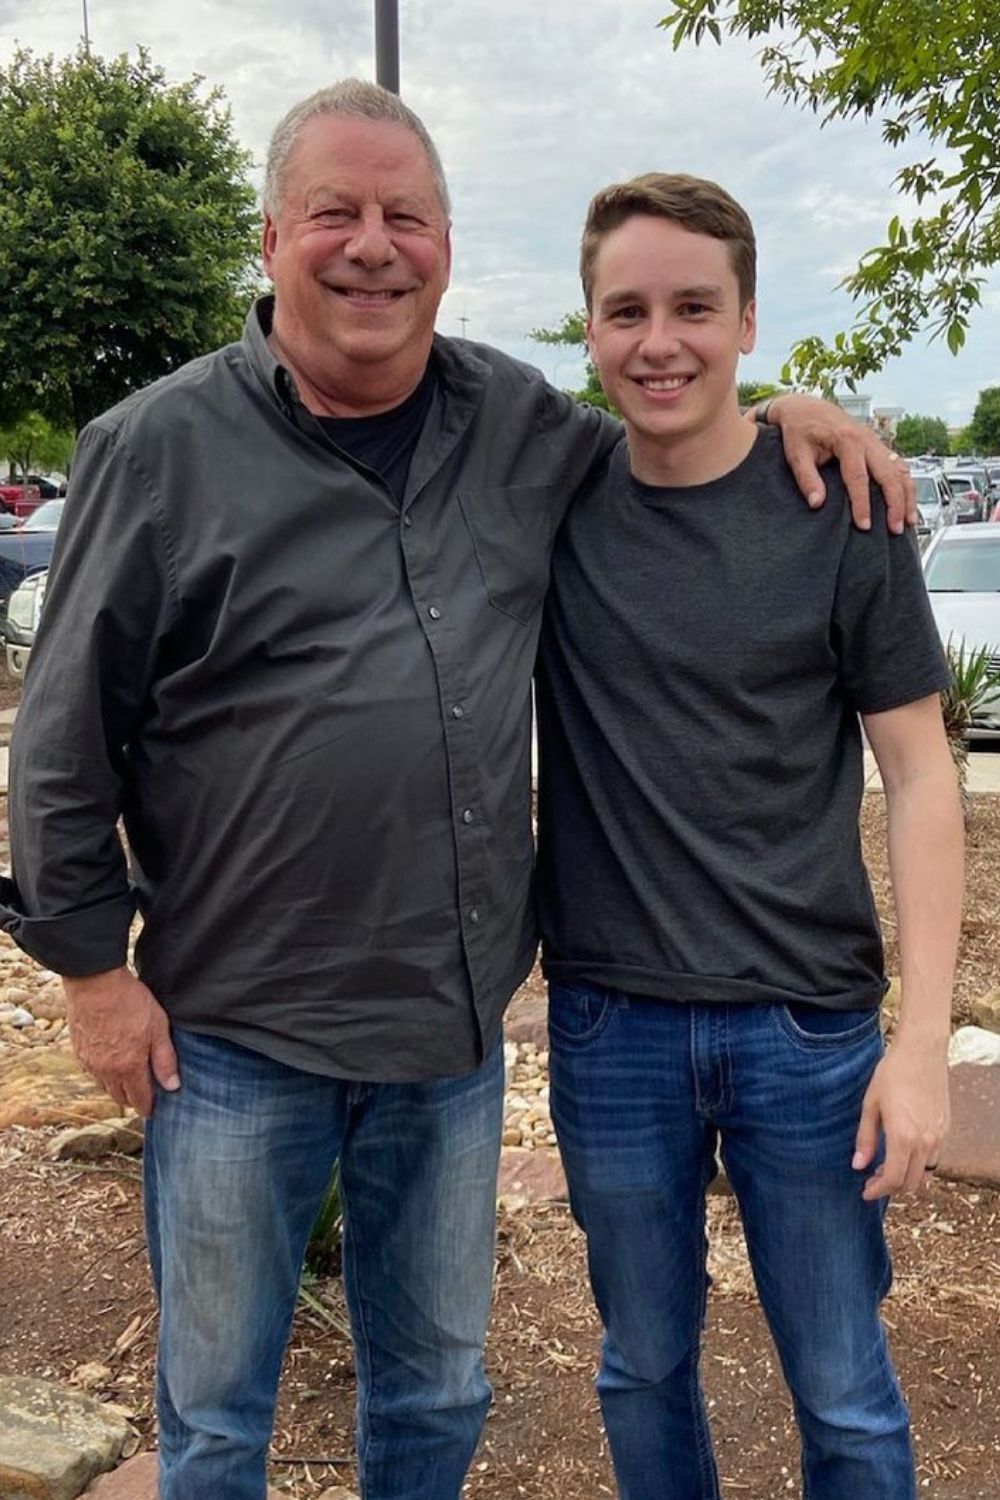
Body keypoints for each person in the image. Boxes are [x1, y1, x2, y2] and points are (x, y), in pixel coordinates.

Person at [0, 83, 914, 1500]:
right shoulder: (156, 450)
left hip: (447, 1035)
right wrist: (88, 971)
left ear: (446, 245)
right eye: (335, 215)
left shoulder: (518, 425)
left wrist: (803, 406)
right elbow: (60, 742)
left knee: (435, 1394)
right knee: (220, 1420)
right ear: (269, 240)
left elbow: (674, 425)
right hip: (235, 1032)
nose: (373, 247)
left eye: (404, 217)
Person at [535, 172, 963, 1500]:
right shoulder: (550, 489)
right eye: (627, 311)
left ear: (749, 319)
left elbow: (921, 771)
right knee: (640, 1367)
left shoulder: (847, 513)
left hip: (811, 1035)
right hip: (613, 1025)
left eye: (694, 308)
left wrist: (922, 1045)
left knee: (843, 1388)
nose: (660, 341)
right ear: (590, 327)